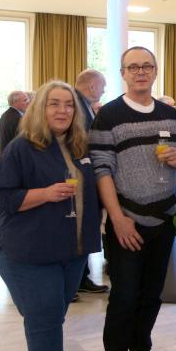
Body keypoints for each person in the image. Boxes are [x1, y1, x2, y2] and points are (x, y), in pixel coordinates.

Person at [0, 81, 102, 351]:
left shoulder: (78, 145)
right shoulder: (22, 148)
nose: (62, 110)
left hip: (72, 250)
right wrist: (45, 194)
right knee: (44, 321)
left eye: (68, 105)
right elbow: (2, 198)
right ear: (40, 108)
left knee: (50, 320)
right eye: (54, 104)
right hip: (29, 251)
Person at [89, 46, 176, 351]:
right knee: (123, 297)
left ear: (155, 70)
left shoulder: (169, 114)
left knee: (151, 294)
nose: (140, 72)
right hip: (127, 222)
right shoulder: (108, 116)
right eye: (133, 67)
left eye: (146, 66)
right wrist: (117, 219)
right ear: (123, 72)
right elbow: (102, 169)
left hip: (163, 220)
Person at [73, 69, 109, 296]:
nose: (103, 91)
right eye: (102, 87)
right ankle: (75, 281)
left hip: (85, 175)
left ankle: (81, 278)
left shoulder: (82, 104)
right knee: (78, 229)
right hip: (79, 177)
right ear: (93, 86)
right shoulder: (76, 105)